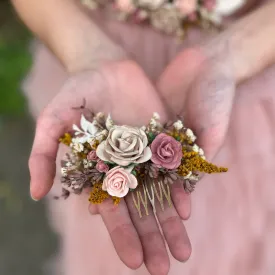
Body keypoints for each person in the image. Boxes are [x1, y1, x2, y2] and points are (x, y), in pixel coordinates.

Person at [11, 0, 275, 274]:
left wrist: (232, 55)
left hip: (250, 47)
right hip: (94, 38)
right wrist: (87, 51)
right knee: (116, 236)